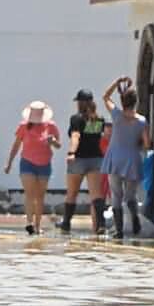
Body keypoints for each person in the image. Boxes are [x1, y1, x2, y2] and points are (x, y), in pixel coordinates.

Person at [100, 77, 151, 239]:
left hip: (115, 158)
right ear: (136, 102)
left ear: (122, 101)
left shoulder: (116, 115)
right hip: (132, 159)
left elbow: (105, 97)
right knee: (130, 195)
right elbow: (147, 143)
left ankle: (119, 230)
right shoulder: (142, 121)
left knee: (116, 195)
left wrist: (117, 82)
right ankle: (135, 219)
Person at [4, 100, 60, 235]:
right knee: (30, 193)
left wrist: (53, 141)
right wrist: (9, 162)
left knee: (40, 195)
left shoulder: (51, 126)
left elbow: (58, 145)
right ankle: (29, 222)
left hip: (44, 163)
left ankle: (37, 225)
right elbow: (16, 145)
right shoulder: (23, 126)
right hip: (27, 162)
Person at [60, 88, 108, 235]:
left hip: (79, 159)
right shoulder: (99, 119)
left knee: (72, 193)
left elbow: (76, 136)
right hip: (96, 159)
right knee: (96, 195)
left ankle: (66, 224)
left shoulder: (76, 119)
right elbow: (97, 138)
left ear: (80, 103)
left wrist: (71, 153)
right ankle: (100, 224)